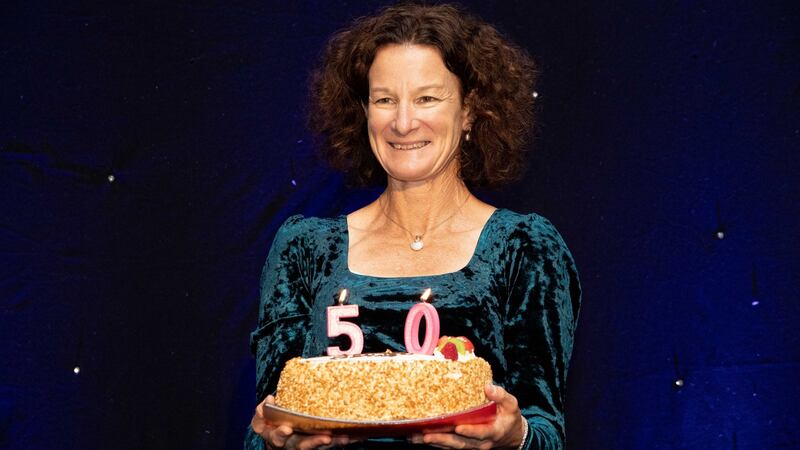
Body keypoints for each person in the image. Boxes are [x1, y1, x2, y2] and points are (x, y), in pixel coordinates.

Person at [246, 3, 581, 449]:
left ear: (470, 111)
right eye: (385, 99)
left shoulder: (524, 248)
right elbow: (268, 423)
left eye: (427, 98)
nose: (403, 123)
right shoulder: (304, 248)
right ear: (363, 111)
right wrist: (275, 441)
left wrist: (514, 436)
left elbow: (545, 432)